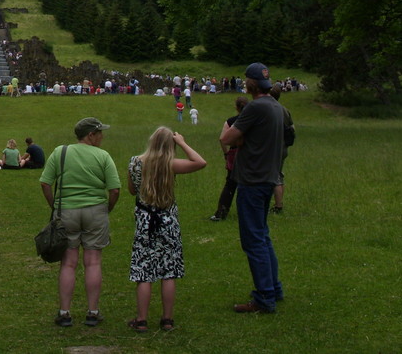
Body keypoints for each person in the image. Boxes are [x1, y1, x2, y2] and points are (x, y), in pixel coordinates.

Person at [40, 117, 121, 328]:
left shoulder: (60, 152)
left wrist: (54, 206)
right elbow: (114, 189)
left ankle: (65, 312)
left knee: (68, 263)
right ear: (91, 135)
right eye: (100, 133)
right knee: (93, 262)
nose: (102, 136)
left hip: (66, 211)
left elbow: (45, 183)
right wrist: (107, 208)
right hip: (96, 211)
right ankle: (92, 312)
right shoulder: (103, 156)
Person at [126, 128, 206, 333]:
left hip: (145, 220)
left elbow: (132, 190)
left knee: (144, 271)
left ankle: (142, 319)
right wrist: (182, 142)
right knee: (168, 271)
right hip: (168, 220)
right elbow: (200, 162)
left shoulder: (135, 162)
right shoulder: (171, 164)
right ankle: (167, 319)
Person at [221, 63, 285, 313]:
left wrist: (241, 137)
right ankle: (274, 289)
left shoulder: (255, 107)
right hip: (268, 177)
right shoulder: (275, 106)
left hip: (252, 179)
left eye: (246, 80)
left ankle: (264, 297)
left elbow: (226, 139)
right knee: (263, 236)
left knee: (253, 240)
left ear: (251, 84)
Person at [210, 96, 247, 221]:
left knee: (230, 183)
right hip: (250, 153)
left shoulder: (231, 121)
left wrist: (226, 154)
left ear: (236, 108)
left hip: (234, 152)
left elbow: (222, 139)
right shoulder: (253, 120)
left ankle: (221, 212)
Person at [269, 85, 296, 214]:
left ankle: (278, 205)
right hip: (283, 147)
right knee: (278, 174)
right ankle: (277, 204)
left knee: (274, 176)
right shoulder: (285, 110)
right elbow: (292, 128)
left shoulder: (269, 109)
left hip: (271, 147)